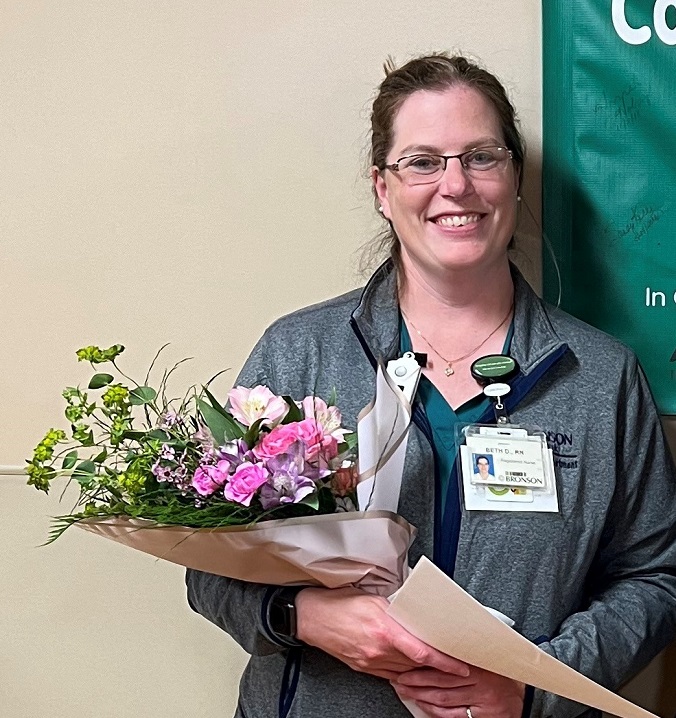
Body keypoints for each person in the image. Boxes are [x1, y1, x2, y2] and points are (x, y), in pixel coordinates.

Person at [185, 53, 676, 718]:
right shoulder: (298, 353)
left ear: (515, 177)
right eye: (422, 161)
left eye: (481, 156)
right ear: (382, 189)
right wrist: (299, 615)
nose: (457, 186)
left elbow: (656, 578)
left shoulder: (603, 375)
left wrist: (536, 689)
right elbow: (209, 565)